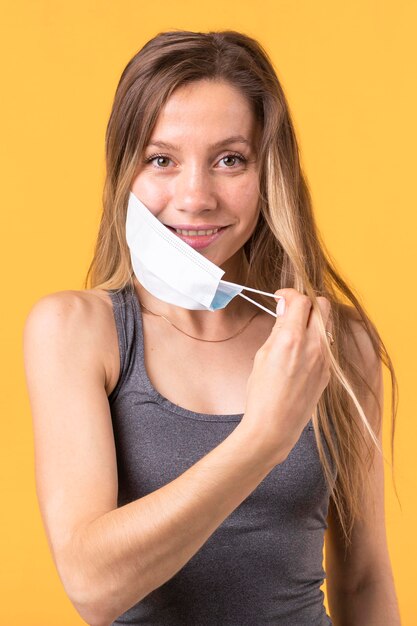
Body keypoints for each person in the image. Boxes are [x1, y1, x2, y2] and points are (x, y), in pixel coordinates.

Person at [23, 30, 401, 626]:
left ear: (268, 171)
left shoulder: (334, 343)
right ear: (124, 172)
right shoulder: (78, 331)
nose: (195, 197)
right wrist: (262, 439)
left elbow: (366, 579)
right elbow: (92, 588)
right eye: (161, 159)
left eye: (230, 159)